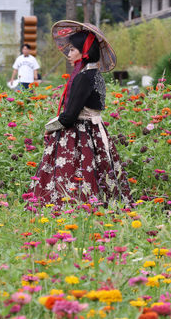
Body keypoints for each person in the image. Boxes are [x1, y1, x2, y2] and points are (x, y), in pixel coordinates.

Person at [26, 21, 131, 208]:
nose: (69, 53)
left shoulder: (83, 77)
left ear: (84, 52)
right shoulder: (96, 75)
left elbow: (70, 116)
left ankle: (71, 208)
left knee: (74, 173)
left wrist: (49, 128)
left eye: (73, 49)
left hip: (80, 134)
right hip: (96, 132)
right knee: (97, 172)